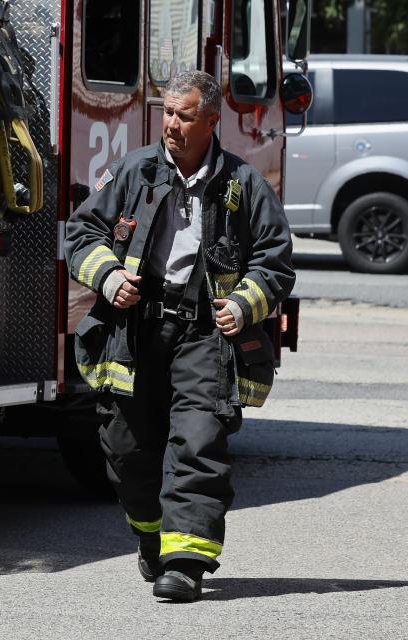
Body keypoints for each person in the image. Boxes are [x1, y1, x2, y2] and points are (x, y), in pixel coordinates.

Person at [64, 70, 295, 602]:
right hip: (137, 329)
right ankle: (152, 539)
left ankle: (186, 562)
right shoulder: (134, 171)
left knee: (197, 441)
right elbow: (82, 232)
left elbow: (276, 262)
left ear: (211, 121)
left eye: (184, 115)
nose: (171, 124)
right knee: (125, 447)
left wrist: (241, 304)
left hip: (203, 333)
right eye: (167, 112)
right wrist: (110, 276)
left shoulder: (243, 185)